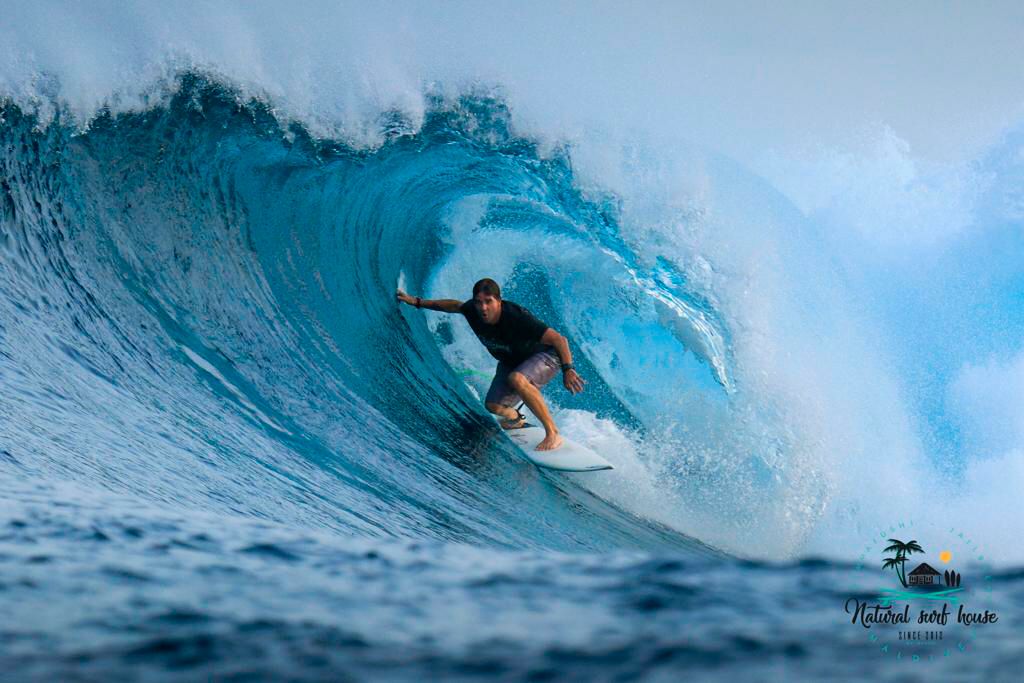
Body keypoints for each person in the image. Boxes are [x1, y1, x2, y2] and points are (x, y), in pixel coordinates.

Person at [396, 278, 584, 451]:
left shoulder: (517, 317)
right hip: (512, 360)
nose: (483, 307)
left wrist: (568, 370)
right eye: (479, 302)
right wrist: (417, 302)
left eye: (489, 302)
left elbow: (560, 340)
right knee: (493, 405)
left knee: (517, 379)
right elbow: (454, 305)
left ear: (499, 302)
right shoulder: (472, 310)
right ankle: (516, 418)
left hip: (547, 355)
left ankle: (553, 433)